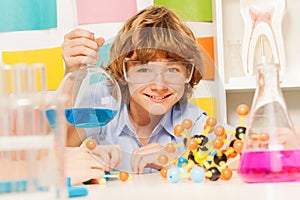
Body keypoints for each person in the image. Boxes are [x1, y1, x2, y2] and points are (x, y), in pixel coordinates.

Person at [61, 6, 226, 180]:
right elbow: (55, 147)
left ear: (187, 73)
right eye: (144, 70)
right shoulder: (103, 103)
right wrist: (73, 76)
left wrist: (180, 160)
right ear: (124, 72)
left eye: (172, 70)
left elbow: (249, 151)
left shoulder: (191, 120)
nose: (159, 85)